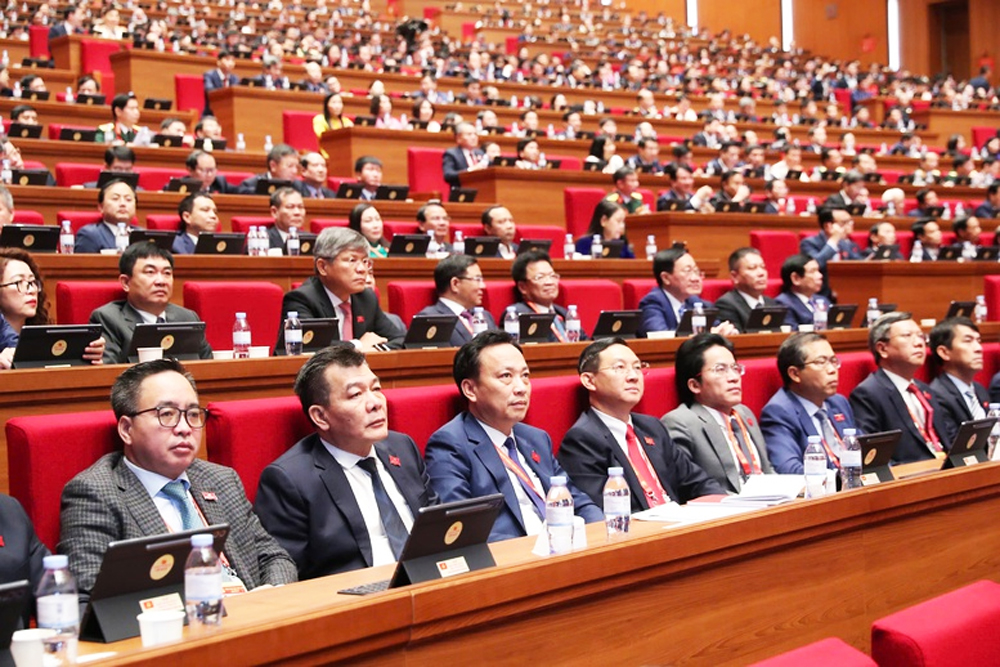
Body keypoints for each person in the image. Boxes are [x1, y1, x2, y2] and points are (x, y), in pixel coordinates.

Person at [59, 359, 297, 600]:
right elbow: (90, 600)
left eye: (192, 414)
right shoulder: (95, 494)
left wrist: (270, 595)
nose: (184, 428)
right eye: (167, 414)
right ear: (127, 430)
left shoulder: (221, 479)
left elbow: (274, 557)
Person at [254, 344, 437, 580]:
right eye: (356, 395)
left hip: (428, 581)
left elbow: (437, 523)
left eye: (376, 388)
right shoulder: (290, 480)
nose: (375, 403)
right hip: (360, 594)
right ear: (321, 416)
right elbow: (285, 573)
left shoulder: (402, 447)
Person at [424, 331, 603, 542]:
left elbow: (577, 500)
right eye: (506, 376)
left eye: (525, 376)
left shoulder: (536, 438)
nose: (521, 388)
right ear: (470, 389)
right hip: (516, 555)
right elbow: (461, 529)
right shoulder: (451, 444)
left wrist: (604, 531)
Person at [558, 338, 725, 510]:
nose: (633, 376)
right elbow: (604, 511)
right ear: (589, 381)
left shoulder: (652, 427)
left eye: (637, 367)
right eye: (619, 367)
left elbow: (697, 482)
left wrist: (729, 505)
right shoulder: (582, 440)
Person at [662, 333, 773, 493]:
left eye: (735, 368)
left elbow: (767, 470)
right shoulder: (681, 422)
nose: (734, 377)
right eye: (720, 370)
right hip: (727, 505)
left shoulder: (744, 413)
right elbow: (687, 487)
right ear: (694, 385)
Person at [276, 228, 405, 351]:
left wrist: (374, 349)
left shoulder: (366, 298)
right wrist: (358, 345)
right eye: (352, 260)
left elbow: (400, 340)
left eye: (365, 261)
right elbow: (309, 346)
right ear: (323, 267)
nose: (362, 269)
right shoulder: (302, 300)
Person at [90, 242, 212, 364]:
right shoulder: (109, 319)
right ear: (126, 283)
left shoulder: (188, 318)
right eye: (150, 272)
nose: (161, 281)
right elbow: (109, 371)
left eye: (167, 273)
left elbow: (209, 366)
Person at [850, 312, 948, 463]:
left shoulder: (925, 390)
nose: (919, 343)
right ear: (882, 349)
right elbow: (872, 457)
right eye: (907, 336)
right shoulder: (868, 394)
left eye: (921, 336)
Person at [760, 333, 860, 473]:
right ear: (795, 374)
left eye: (833, 361)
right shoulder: (779, 412)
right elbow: (788, 469)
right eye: (821, 362)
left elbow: (862, 448)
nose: (832, 370)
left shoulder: (838, 403)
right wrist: (838, 478)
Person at [0, 248, 105, 368]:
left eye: (32, 282)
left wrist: (88, 360)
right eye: (18, 282)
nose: (32, 290)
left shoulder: (45, 338)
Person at [637, 247, 728, 337]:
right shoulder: (653, 302)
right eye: (687, 271)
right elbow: (658, 337)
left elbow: (716, 328)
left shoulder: (697, 303)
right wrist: (706, 335)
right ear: (666, 278)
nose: (695, 279)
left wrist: (724, 330)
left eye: (696, 271)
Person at [928, 317, 989, 446]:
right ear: (944, 352)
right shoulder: (937, 396)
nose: (979, 348)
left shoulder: (979, 389)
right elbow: (953, 446)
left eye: (978, 341)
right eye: (968, 341)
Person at [416, 255, 497, 346]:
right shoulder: (430, 319)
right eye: (477, 279)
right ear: (455, 284)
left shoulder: (485, 316)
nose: (483, 286)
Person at [508, 250, 586, 342]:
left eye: (552, 276)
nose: (549, 282)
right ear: (522, 287)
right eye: (540, 277)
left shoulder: (563, 313)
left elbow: (585, 342)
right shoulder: (519, 315)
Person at [714, 248, 784, 333]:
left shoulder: (771, 303)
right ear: (734, 276)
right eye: (752, 268)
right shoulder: (727, 305)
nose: (761, 273)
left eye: (763, 267)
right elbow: (737, 338)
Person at [74, 179, 139, 253]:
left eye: (128, 199)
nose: (123, 204)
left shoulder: (143, 235)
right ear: (101, 207)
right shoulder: (90, 235)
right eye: (115, 198)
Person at [773, 254, 829, 328]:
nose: (820, 276)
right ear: (795, 278)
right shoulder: (783, 304)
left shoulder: (822, 300)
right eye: (812, 271)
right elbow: (792, 332)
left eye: (818, 270)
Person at [237, 143, 305, 196]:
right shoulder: (250, 185)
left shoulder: (299, 187)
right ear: (273, 166)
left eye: (296, 167)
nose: (295, 171)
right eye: (290, 166)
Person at [442, 122, 487, 188]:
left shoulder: (480, 153)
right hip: (461, 190)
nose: (473, 137)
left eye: (475, 134)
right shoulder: (451, 154)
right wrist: (470, 170)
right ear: (458, 138)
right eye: (469, 134)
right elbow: (448, 175)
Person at [267, 187, 307, 254]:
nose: (297, 212)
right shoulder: (262, 240)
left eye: (300, 207)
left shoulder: (312, 240)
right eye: (290, 207)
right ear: (274, 212)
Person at [202, 50, 239, 115]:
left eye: (232, 60)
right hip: (211, 113)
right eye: (227, 59)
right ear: (218, 62)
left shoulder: (235, 78)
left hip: (229, 113)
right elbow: (210, 92)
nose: (230, 63)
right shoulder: (209, 75)